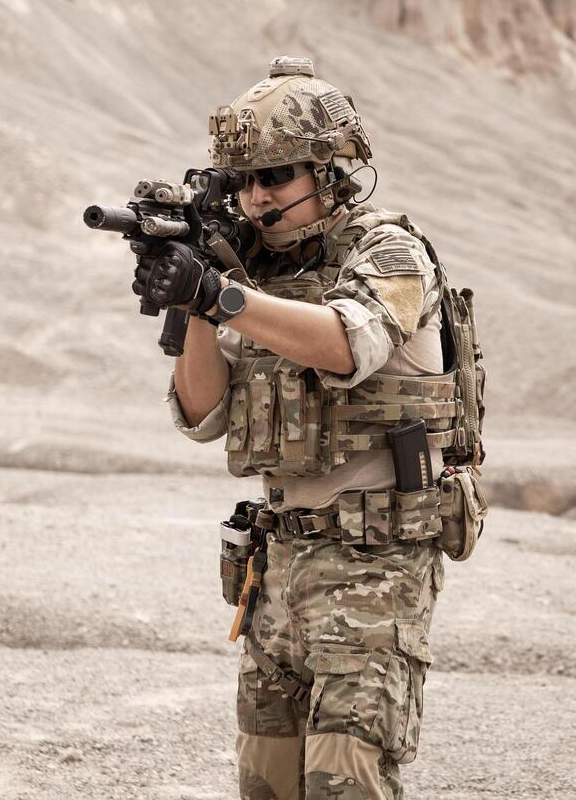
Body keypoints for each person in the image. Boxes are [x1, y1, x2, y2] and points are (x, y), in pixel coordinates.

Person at [132, 56, 483, 800]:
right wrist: (195, 297)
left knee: (344, 785)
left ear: (329, 169)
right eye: (244, 183)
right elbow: (201, 414)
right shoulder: (252, 276)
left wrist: (218, 294)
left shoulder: (388, 252)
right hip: (278, 563)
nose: (257, 198)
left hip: (373, 561)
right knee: (266, 785)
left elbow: (345, 342)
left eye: (276, 176)